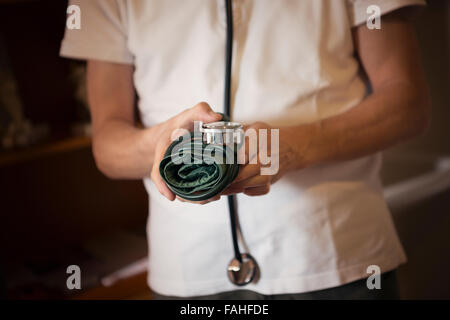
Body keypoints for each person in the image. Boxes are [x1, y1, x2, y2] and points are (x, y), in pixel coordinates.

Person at [61, 0, 430, 299]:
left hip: (336, 259)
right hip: (190, 273)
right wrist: (160, 143)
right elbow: (108, 146)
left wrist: (293, 148)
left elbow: (406, 104)